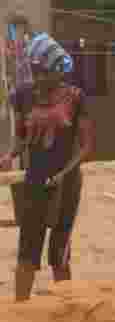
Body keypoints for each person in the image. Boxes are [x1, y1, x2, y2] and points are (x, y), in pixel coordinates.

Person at [0, 34, 94, 302]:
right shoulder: (23, 96)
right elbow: (21, 138)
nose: (39, 78)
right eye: (35, 71)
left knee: (59, 250)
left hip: (66, 183)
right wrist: (9, 155)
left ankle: (64, 311)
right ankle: (20, 309)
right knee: (28, 246)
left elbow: (86, 147)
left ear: (58, 70)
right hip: (34, 180)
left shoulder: (76, 98)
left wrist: (63, 175)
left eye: (44, 72)